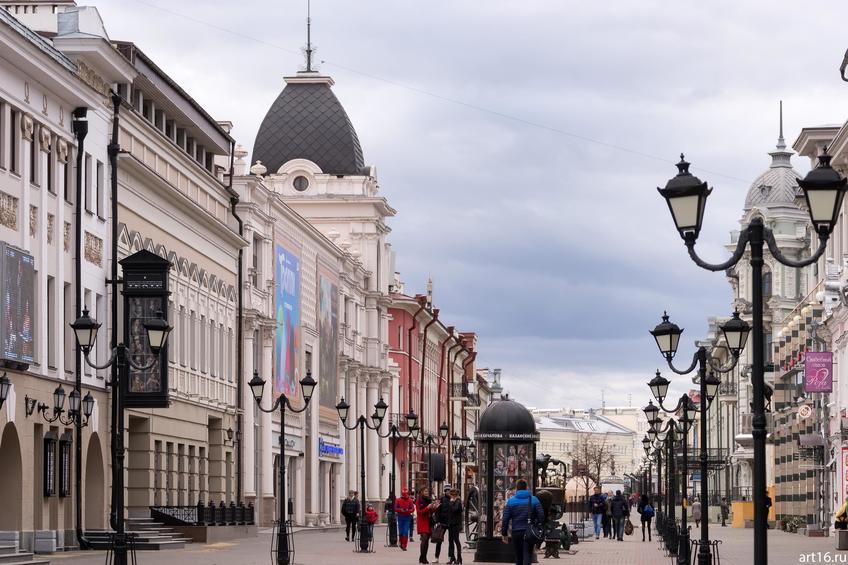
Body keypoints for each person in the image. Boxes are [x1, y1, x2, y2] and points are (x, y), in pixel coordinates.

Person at [501, 478, 543, 565]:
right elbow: (541, 516)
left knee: (518, 555)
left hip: (516, 532)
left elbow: (505, 519)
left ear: (516, 488)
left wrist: (504, 533)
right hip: (529, 531)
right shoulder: (534, 499)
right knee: (527, 554)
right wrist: (538, 527)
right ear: (527, 487)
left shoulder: (511, 501)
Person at [417, 487, 438, 564]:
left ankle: (424, 557)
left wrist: (435, 507)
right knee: (424, 538)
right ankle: (422, 557)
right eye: (425, 491)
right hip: (422, 522)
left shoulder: (429, 500)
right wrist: (427, 508)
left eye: (427, 491)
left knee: (426, 541)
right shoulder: (419, 500)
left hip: (428, 521)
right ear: (421, 491)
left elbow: (431, 511)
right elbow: (419, 512)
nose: (426, 492)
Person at [433, 485, 452, 563]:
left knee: (451, 541)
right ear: (445, 491)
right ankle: (436, 557)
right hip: (442, 522)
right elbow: (437, 511)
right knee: (439, 540)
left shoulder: (453, 499)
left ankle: (450, 557)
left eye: (449, 491)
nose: (448, 492)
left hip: (450, 522)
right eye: (447, 491)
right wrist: (437, 521)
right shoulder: (441, 499)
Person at [447, 488, 463, 564]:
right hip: (451, 523)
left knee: (456, 540)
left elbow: (455, 510)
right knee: (450, 540)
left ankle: (459, 558)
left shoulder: (458, 502)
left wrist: (451, 503)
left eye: (451, 495)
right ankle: (452, 557)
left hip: (456, 524)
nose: (450, 496)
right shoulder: (453, 501)